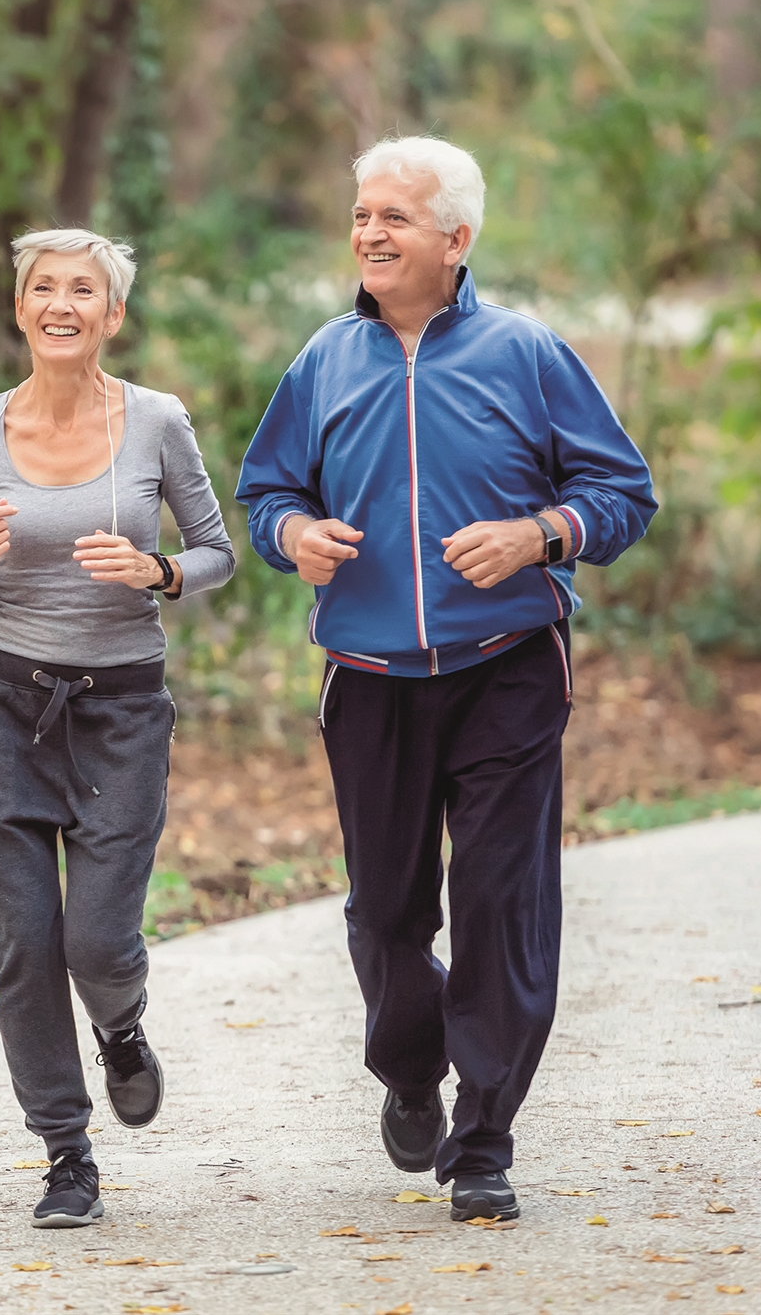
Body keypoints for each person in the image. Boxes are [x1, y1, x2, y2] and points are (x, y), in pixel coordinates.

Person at [235, 137, 656, 1223]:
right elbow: (265, 491)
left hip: (505, 668)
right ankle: (411, 1068)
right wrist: (293, 534)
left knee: (497, 902)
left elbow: (621, 492)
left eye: (394, 217)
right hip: (368, 675)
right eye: (361, 213)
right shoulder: (323, 359)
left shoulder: (525, 354)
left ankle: (483, 1138)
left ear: (454, 239)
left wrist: (539, 534)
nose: (368, 232)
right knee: (384, 916)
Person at [0, 227, 236, 1228]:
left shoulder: (156, 422)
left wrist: (162, 572)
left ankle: (122, 1026)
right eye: (42, 288)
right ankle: (64, 1150)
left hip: (121, 711)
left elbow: (217, 549)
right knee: (21, 941)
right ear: (19, 310)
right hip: (4, 706)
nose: (61, 303)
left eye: (82, 290)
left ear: (112, 314)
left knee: (95, 940)